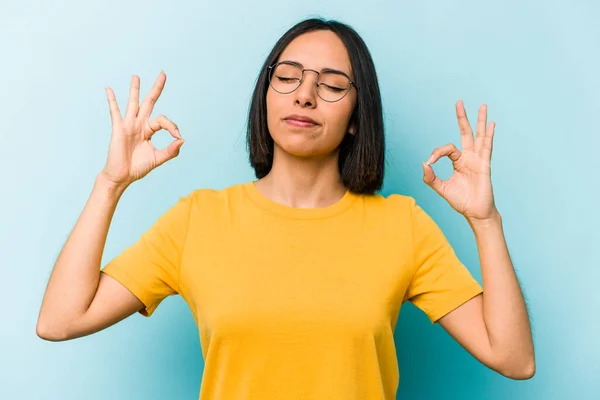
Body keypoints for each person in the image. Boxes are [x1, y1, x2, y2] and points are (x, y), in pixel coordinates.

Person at [36, 17, 535, 400]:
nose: (305, 94)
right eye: (289, 76)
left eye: (332, 84)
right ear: (266, 96)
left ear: (357, 117)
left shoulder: (401, 226)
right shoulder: (198, 220)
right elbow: (60, 320)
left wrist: (485, 222)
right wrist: (110, 184)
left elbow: (513, 359)